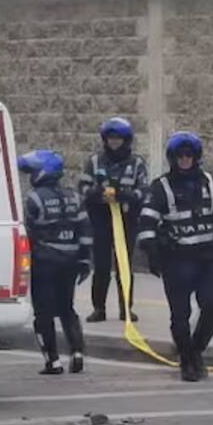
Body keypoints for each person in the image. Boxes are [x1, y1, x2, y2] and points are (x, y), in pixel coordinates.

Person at [137, 132, 213, 383]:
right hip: (176, 261)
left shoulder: (207, 182)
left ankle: (195, 351)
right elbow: (147, 222)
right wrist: (152, 253)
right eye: (180, 156)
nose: (185, 160)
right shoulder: (161, 187)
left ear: (196, 158)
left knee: (212, 308)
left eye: (189, 156)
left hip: (205, 259)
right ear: (173, 158)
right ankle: (187, 359)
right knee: (180, 315)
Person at [19, 149, 92, 376]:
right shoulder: (74, 197)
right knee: (67, 308)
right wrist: (84, 259)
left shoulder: (34, 198)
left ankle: (53, 361)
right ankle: (77, 352)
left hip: (44, 262)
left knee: (43, 313)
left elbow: (28, 232)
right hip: (70, 262)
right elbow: (85, 229)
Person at [79, 117, 149, 323]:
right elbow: (82, 187)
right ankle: (98, 309)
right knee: (101, 267)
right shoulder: (94, 161)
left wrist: (124, 195)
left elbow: (144, 190)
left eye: (118, 138)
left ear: (126, 140)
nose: (114, 142)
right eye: (111, 138)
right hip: (101, 220)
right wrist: (98, 192)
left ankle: (126, 309)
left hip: (127, 221)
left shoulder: (137, 164)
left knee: (124, 267)